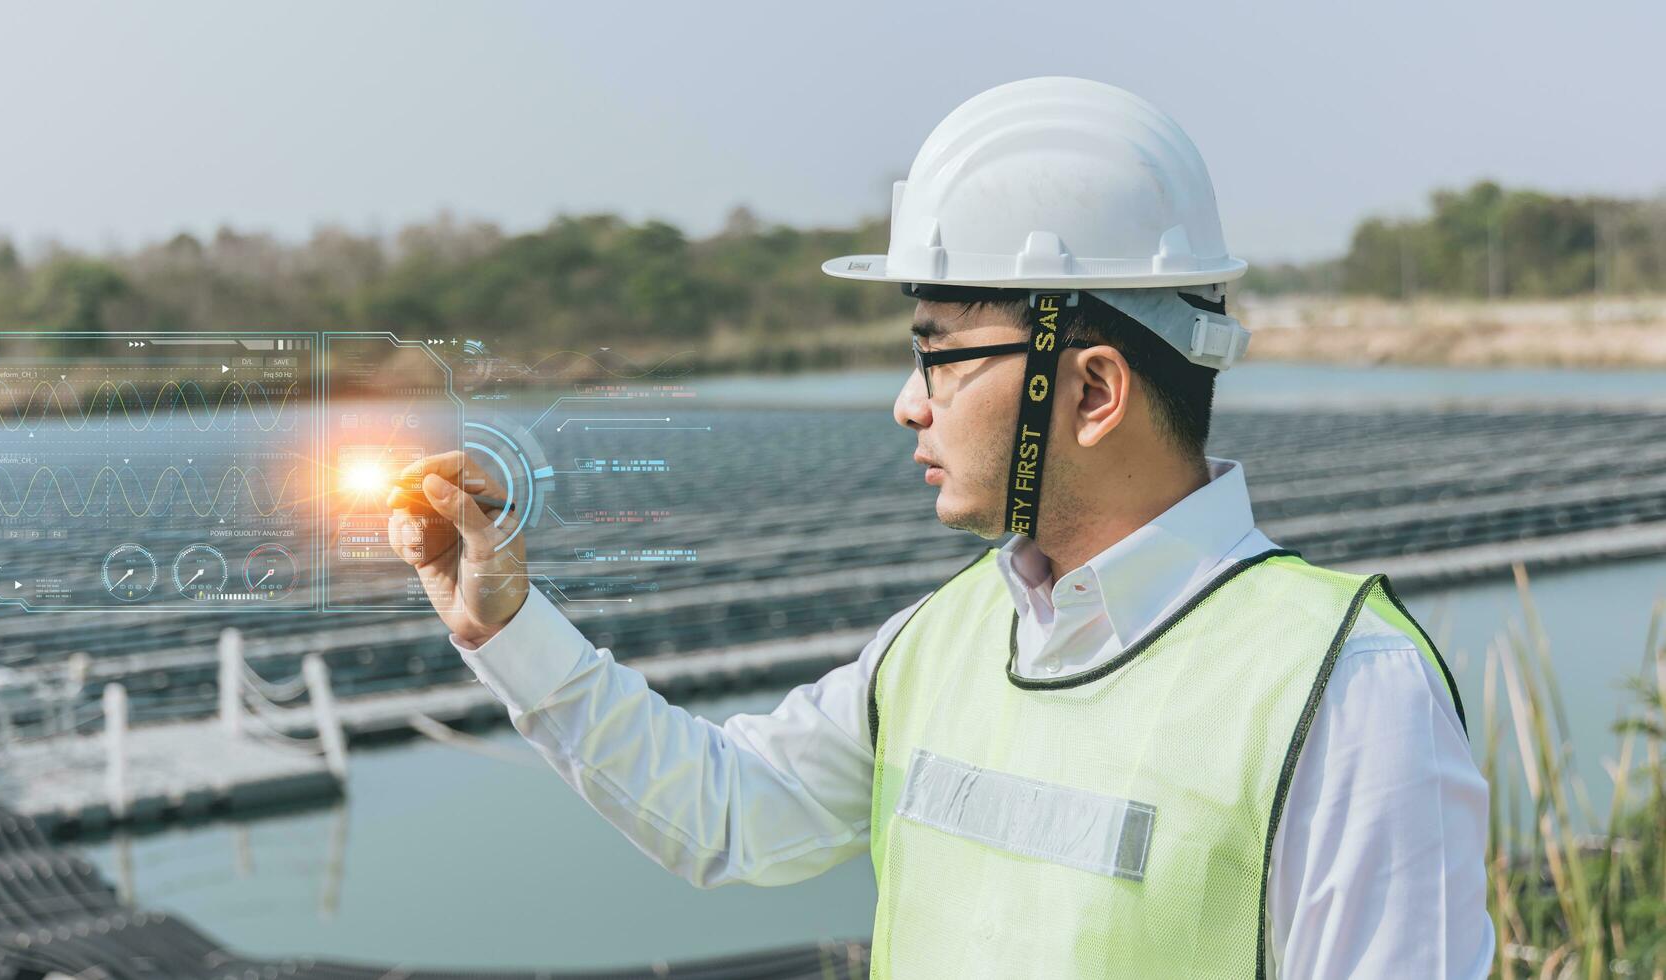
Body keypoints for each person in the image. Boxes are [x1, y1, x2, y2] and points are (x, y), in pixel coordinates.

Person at [388, 77, 1494, 978]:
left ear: (1091, 389)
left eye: (939, 352)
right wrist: (509, 624)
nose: (906, 401)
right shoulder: (943, 641)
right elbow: (725, 814)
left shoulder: (1344, 692)